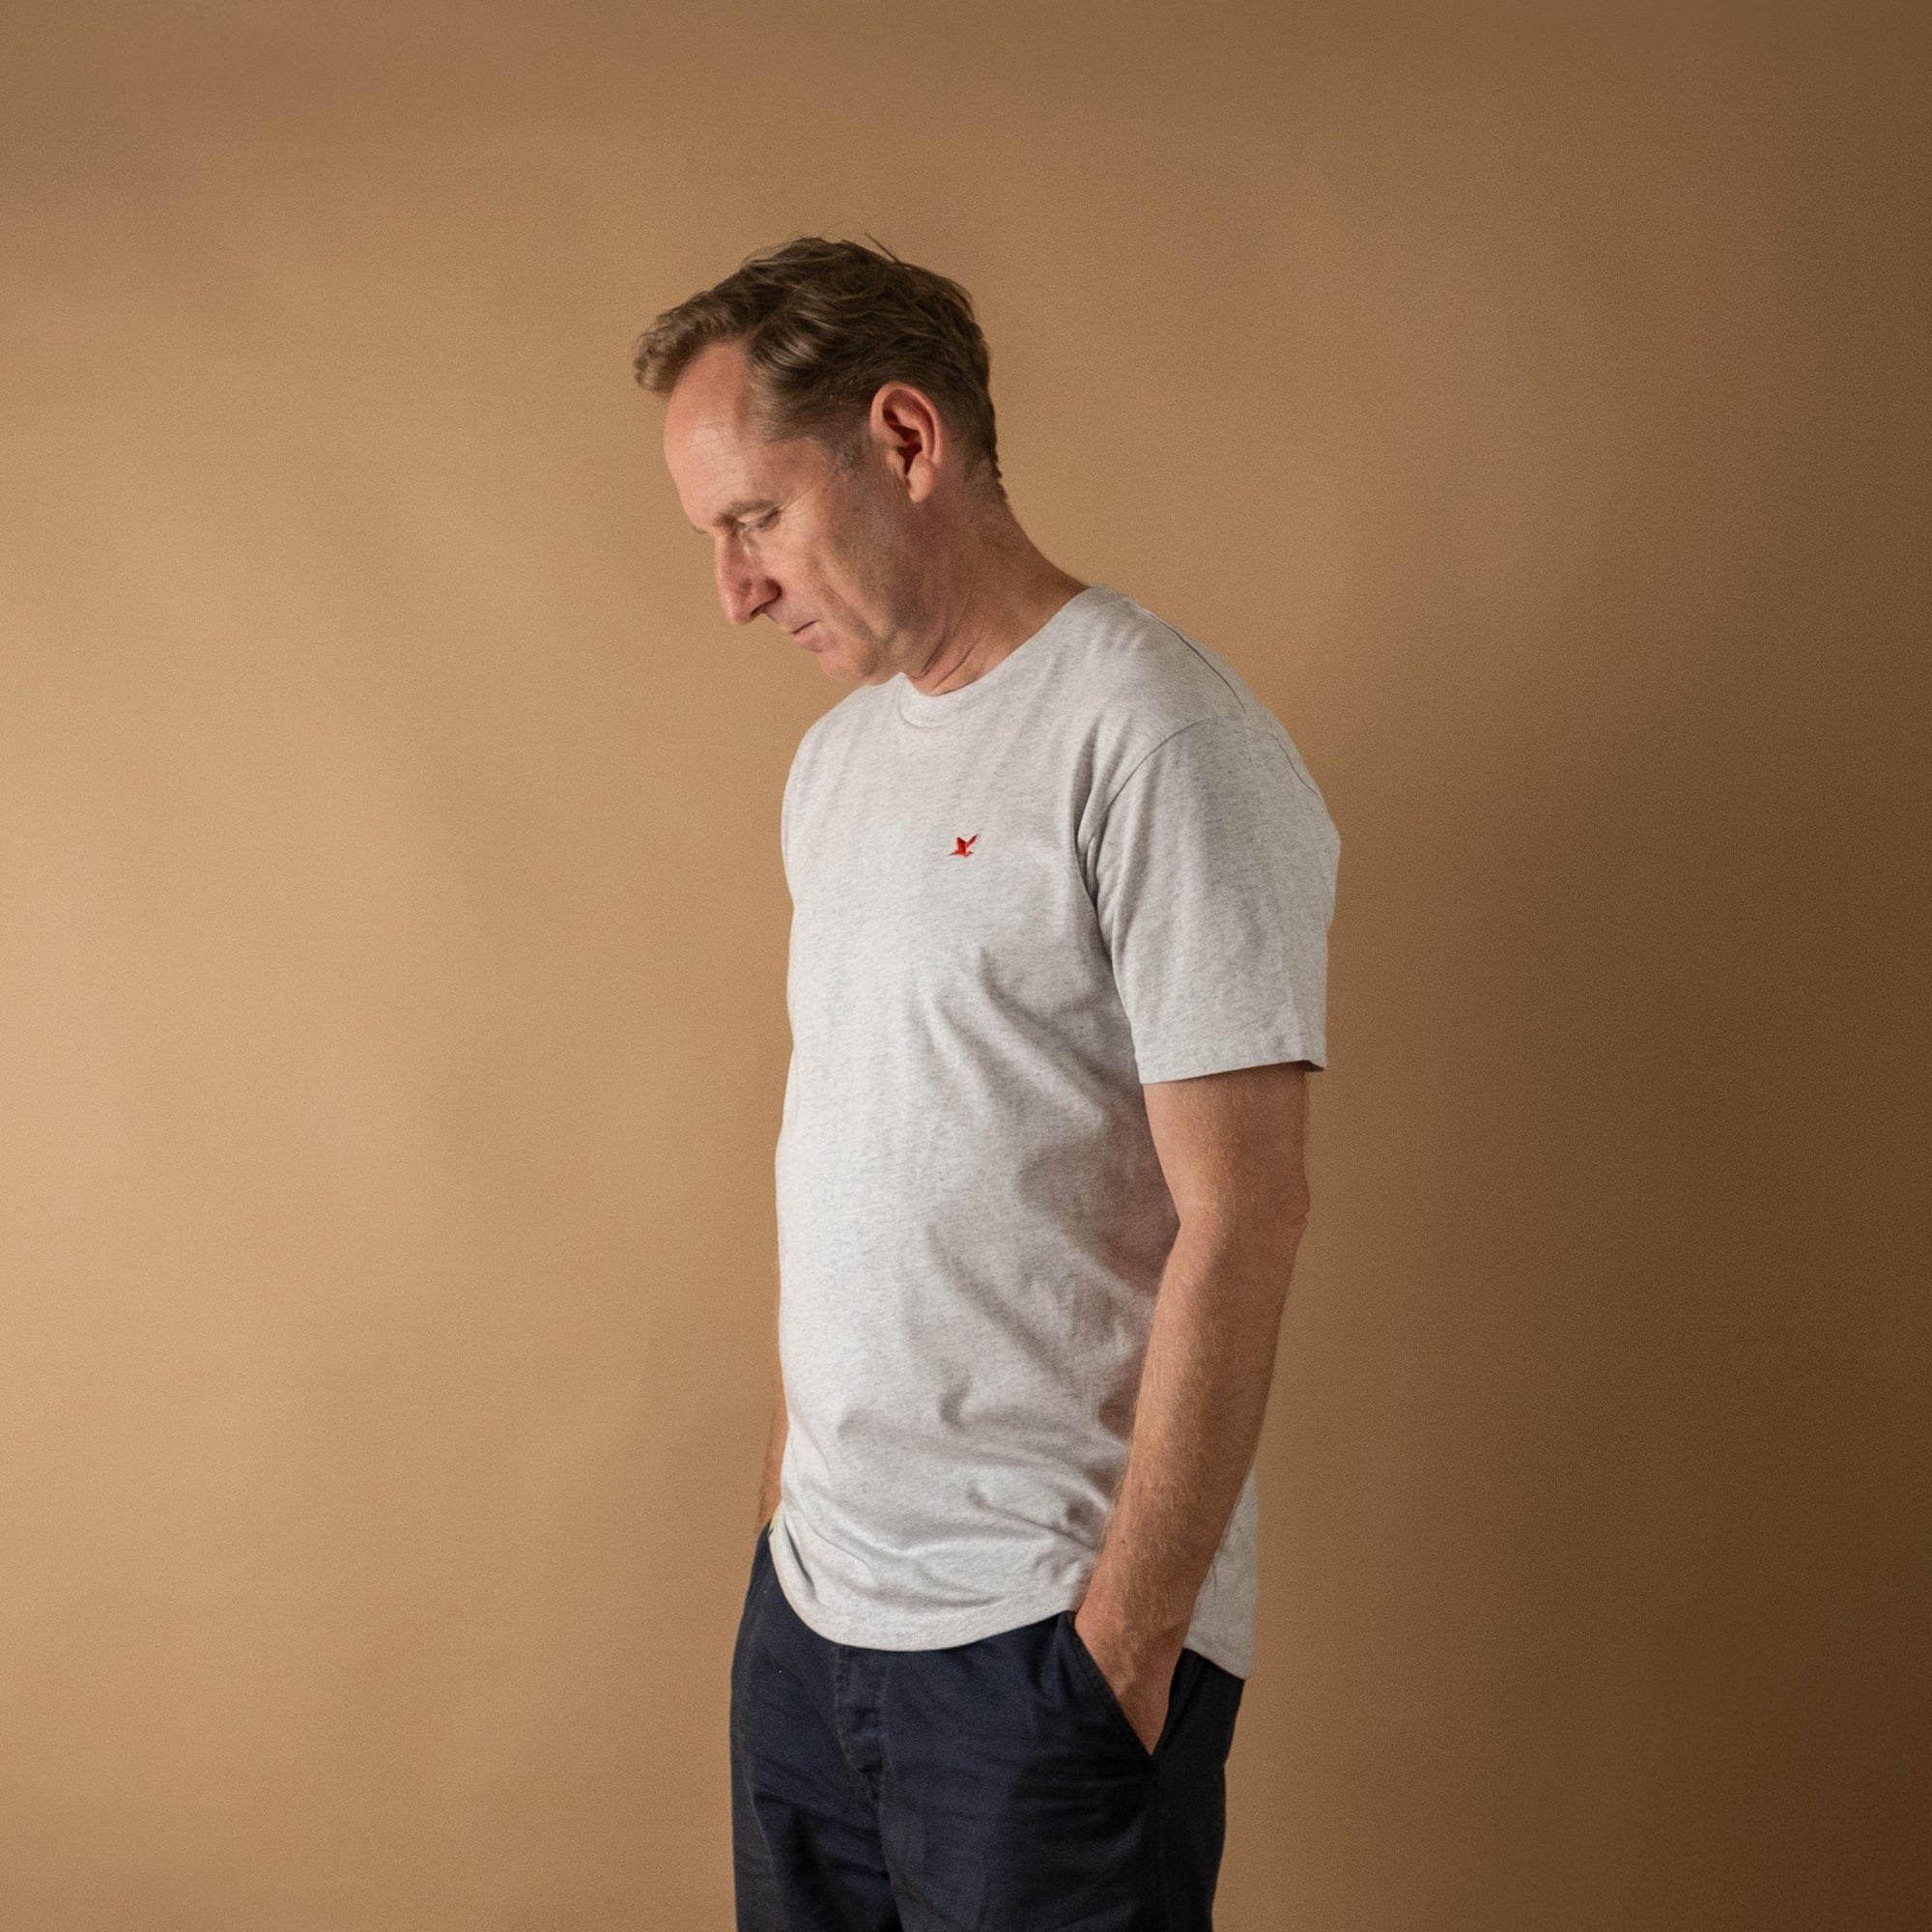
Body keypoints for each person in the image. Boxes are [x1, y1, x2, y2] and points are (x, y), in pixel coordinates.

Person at [634, 237, 1339, 1931]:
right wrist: (777, 1541)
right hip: (811, 1628)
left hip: (1036, 1651)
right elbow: (861, 1156)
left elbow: (1245, 1213)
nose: (733, 589)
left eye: (756, 521)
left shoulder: (1153, 734)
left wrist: (1125, 1645)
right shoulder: (837, 764)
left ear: (901, 439)